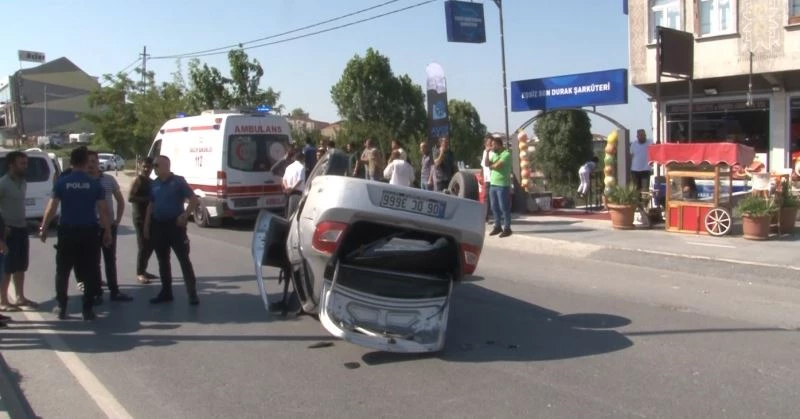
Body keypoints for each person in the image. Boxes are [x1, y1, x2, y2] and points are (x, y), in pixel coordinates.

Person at [40, 146, 112, 320]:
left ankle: (61, 306)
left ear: (71, 162)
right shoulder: (94, 183)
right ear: (86, 162)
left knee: (63, 271)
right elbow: (103, 210)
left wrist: (44, 227)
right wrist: (108, 231)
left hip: (68, 232)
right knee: (89, 270)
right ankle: (88, 309)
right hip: (89, 232)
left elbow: (52, 206)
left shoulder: (63, 182)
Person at [144, 156, 200, 305]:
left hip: (175, 227)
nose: (154, 168)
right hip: (159, 226)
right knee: (163, 261)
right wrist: (146, 226)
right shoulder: (154, 184)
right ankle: (166, 292)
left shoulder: (178, 181)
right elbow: (151, 205)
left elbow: (193, 199)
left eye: (156, 165)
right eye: (153, 165)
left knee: (184, 260)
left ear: (166, 165)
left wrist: (185, 215)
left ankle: (192, 293)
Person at [77, 151, 132, 302]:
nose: (90, 164)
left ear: (98, 162)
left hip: (109, 226)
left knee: (110, 259)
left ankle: (114, 291)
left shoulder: (108, 179)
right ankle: (96, 292)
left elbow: (120, 200)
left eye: (93, 161)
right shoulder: (82, 181)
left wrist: (117, 220)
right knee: (93, 261)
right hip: (90, 227)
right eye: (87, 161)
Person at [0, 151, 35, 312]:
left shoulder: (23, 182)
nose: (25, 166)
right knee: (7, 267)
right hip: (8, 230)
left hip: (22, 228)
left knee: (21, 265)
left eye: (26, 163)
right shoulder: (2, 184)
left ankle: (20, 296)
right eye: (22, 163)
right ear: (11, 165)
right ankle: (3, 300)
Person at [129, 157, 158, 285]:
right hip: (139, 217)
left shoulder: (151, 181)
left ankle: (144, 270)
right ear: (140, 166)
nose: (147, 169)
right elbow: (130, 197)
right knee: (143, 246)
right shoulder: (137, 180)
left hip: (150, 217)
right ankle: (140, 273)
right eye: (145, 166)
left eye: (149, 167)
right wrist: (148, 199)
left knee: (150, 245)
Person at [484, 137, 513, 238]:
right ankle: (497, 226)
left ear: (498, 145)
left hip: (502, 185)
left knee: (504, 207)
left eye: (493, 145)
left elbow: (498, 166)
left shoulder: (506, 154)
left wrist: (492, 165)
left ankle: (507, 228)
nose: (491, 147)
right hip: (493, 184)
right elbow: (486, 164)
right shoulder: (494, 154)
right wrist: (487, 153)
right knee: (494, 207)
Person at [282, 152, 305, 217]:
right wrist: (292, 189)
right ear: (302, 159)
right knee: (294, 213)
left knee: (287, 212)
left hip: (287, 192)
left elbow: (284, 179)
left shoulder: (289, 167)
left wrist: (287, 187)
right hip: (297, 192)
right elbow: (299, 180)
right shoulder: (301, 167)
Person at [480, 136, 494, 221]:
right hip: (486, 178)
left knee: (493, 197)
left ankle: (495, 215)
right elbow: (483, 165)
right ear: (485, 144)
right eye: (488, 142)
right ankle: (485, 216)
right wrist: (481, 175)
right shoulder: (484, 152)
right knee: (486, 197)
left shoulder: (494, 152)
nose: (490, 144)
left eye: (491, 142)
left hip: (493, 178)